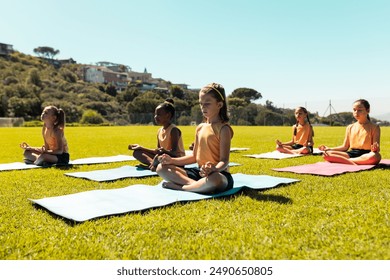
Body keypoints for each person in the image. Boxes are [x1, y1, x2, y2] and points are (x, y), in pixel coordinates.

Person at [156, 82, 234, 194]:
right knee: (161, 168)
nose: (203, 107)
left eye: (207, 103)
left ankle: (182, 187)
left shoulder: (224, 129)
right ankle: (196, 186)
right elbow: (194, 157)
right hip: (199, 173)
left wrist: (213, 169)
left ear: (219, 104)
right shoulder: (200, 127)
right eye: (201, 103)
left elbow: (224, 161)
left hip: (218, 174)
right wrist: (171, 160)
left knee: (215, 180)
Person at [128, 98, 185, 171]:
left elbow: (174, 153)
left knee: (159, 158)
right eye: (155, 114)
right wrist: (141, 148)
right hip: (163, 157)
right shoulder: (159, 131)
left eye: (159, 114)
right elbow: (157, 151)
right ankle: (154, 165)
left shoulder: (174, 130)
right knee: (137, 153)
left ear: (168, 115)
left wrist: (164, 151)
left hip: (176, 160)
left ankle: (154, 166)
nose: (155, 117)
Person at [319, 99, 381, 165]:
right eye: (354, 110)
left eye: (360, 110)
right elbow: (345, 147)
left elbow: (376, 149)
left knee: (375, 156)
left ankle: (347, 161)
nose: (356, 112)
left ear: (368, 110)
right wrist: (329, 149)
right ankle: (351, 161)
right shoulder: (350, 127)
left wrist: (375, 149)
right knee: (327, 154)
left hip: (367, 154)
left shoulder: (375, 127)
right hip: (351, 154)